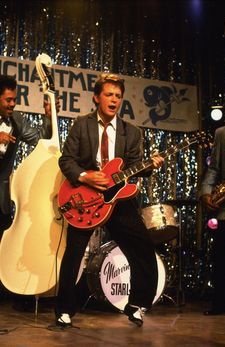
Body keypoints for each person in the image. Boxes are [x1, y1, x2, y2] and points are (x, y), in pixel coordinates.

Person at [55, 73, 164, 328]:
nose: (114, 100)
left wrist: (150, 165)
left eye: (118, 96)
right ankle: (64, 310)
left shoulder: (132, 132)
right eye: (108, 95)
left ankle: (137, 305)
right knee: (73, 253)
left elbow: (135, 167)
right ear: (96, 98)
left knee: (143, 246)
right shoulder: (82, 125)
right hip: (85, 199)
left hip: (117, 201)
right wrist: (85, 176)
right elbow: (66, 160)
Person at [0, 74, 59, 240]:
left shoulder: (17, 120)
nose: (12, 104)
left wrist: (48, 118)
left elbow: (39, 139)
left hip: (1, 198)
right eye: (8, 100)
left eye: (14, 99)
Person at [199, 123, 225, 315]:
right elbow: (214, 168)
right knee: (220, 258)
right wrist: (206, 192)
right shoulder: (222, 133)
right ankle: (220, 303)